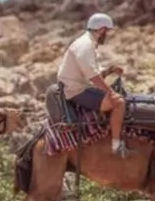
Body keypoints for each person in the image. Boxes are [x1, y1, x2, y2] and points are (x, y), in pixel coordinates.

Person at [56, 12, 130, 158]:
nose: (107, 35)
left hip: (79, 86)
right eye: (106, 31)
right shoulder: (85, 46)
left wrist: (110, 70)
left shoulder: (87, 43)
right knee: (119, 102)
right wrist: (110, 93)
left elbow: (93, 73)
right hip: (76, 91)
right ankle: (116, 146)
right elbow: (93, 76)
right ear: (101, 29)